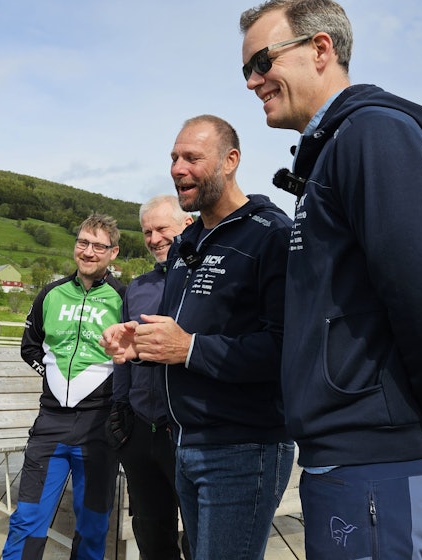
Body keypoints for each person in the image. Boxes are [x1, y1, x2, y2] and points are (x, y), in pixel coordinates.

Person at [238, 0, 422, 558]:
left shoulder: (374, 136)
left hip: (375, 463)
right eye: (245, 69)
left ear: (321, 49)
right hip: (349, 461)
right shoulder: (331, 152)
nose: (252, 81)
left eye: (262, 62)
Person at [101, 115, 295, 560]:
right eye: (173, 157)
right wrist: (141, 346)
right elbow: (178, 334)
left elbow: (287, 349)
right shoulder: (190, 243)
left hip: (244, 447)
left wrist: (187, 348)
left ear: (231, 161)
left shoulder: (271, 235)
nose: (177, 168)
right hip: (184, 440)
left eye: (192, 157)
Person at [2, 213, 127, 560]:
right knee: (28, 519)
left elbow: (131, 358)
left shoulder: (124, 298)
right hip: (51, 426)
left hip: (99, 428)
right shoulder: (51, 293)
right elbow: (30, 347)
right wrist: (51, 377)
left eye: (98, 246)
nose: (88, 251)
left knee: (93, 525)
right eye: (82, 242)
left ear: (113, 253)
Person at [108, 195, 193, 560]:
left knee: (199, 534)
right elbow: (123, 358)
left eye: (162, 229)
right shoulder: (138, 288)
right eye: (147, 231)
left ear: (187, 225)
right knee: (151, 535)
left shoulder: (204, 281)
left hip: (187, 429)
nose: (155, 238)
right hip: (141, 428)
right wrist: (119, 411)